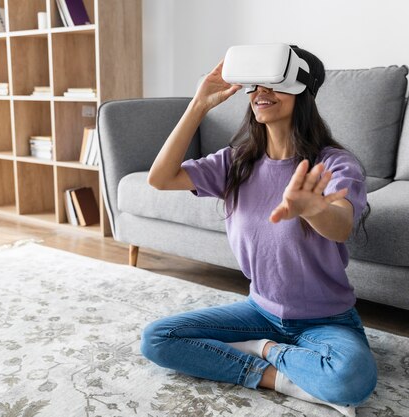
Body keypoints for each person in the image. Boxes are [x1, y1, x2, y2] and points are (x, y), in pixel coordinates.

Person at [140, 46, 377, 417]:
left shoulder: (333, 164)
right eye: (254, 86)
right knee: (157, 339)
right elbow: (160, 178)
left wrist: (314, 208)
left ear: (303, 90)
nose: (260, 93)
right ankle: (276, 376)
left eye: (273, 85)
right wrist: (199, 104)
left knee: (352, 379)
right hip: (259, 310)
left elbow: (341, 225)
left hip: (326, 318)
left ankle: (262, 349)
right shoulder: (236, 161)